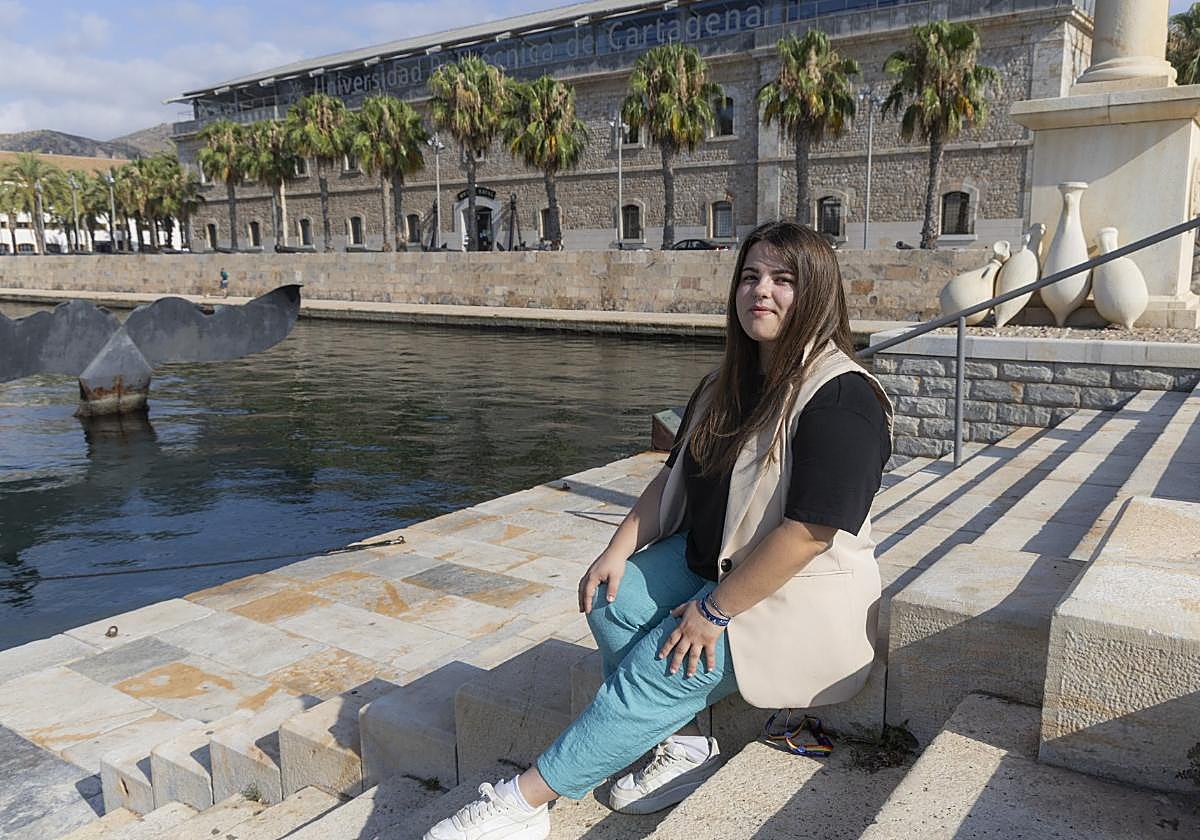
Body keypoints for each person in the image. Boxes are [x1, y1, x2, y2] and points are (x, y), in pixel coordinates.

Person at [421, 221, 893, 840]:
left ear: (818, 293)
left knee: (658, 665)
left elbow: (809, 533)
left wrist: (714, 612)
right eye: (750, 276)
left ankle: (523, 803)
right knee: (611, 600)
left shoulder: (842, 398)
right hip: (712, 562)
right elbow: (674, 477)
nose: (761, 291)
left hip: (785, 591)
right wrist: (616, 549)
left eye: (784, 280)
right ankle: (687, 744)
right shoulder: (724, 385)